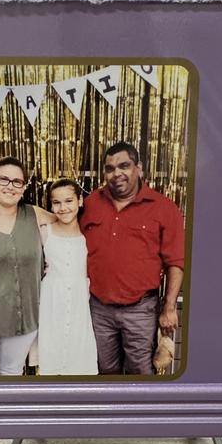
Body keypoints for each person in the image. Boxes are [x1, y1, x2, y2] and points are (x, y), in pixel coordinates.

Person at [80, 142, 185, 375]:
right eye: (110, 168)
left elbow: (175, 262)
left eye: (124, 166)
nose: (117, 173)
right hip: (98, 308)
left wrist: (169, 308)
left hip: (140, 309)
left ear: (139, 168)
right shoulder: (90, 204)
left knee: (140, 372)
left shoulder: (164, 208)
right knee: (103, 370)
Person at [0, 156, 56, 376]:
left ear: (24, 187)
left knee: (12, 371)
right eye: (3, 179)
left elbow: (67, 222)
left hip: (24, 316)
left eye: (17, 181)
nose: (10, 186)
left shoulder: (33, 214)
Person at [37, 179, 98, 375]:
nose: (63, 208)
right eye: (57, 202)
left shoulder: (89, 234)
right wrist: (52, 217)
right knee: (52, 360)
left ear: (80, 201)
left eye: (69, 201)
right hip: (52, 303)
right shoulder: (45, 231)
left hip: (81, 305)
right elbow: (27, 210)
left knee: (80, 361)